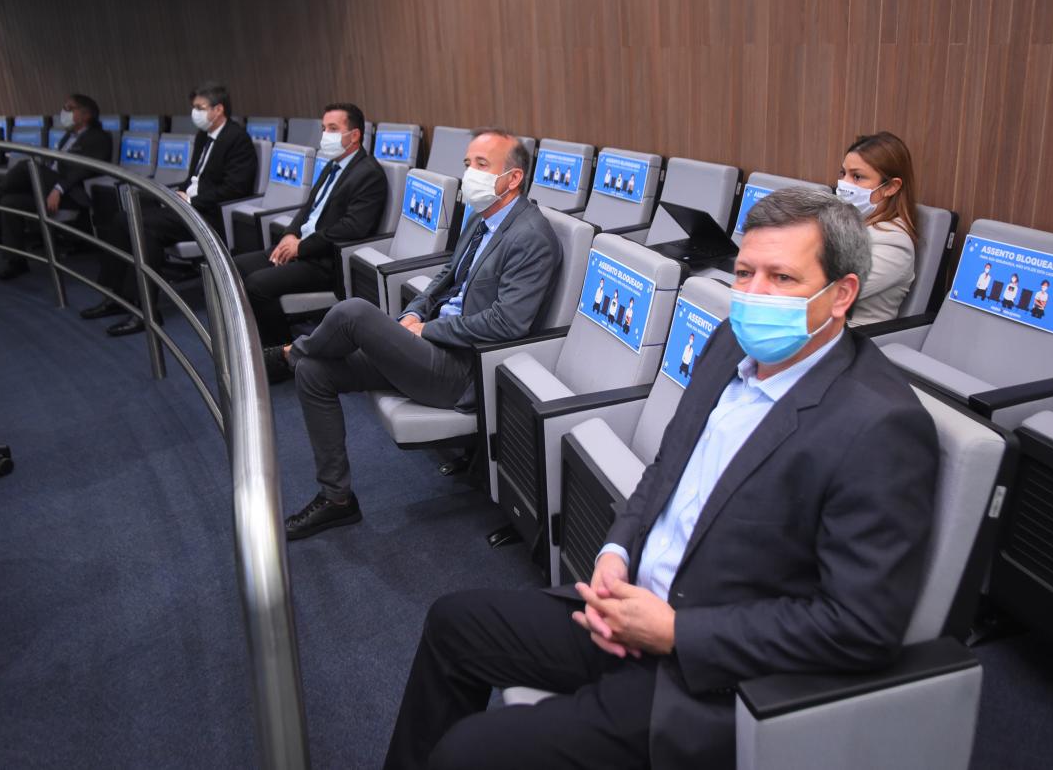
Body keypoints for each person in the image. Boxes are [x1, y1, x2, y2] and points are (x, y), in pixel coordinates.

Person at [382, 187, 937, 770]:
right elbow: (668, 467)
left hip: (704, 674)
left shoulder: (880, 425)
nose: (753, 294)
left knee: (466, 754)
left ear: (842, 293)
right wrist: (617, 550)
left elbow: (859, 627)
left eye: (782, 278)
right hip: (627, 610)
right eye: (744, 273)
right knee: (453, 624)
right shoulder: (729, 342)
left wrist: (677, 631)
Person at [273, 127, 562, 540]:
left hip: (461, 369)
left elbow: (507, 324)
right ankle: (336, 499)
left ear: (513, 178)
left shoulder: (531, 237)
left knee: (354, 312)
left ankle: (287, 354)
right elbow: (446, 277)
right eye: (468, 164)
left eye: (482, 165)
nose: (469, 174)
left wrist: (427, 329)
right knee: (314, 373)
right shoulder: (481, 218)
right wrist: (413, 313)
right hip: (426, 349)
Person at [84, 81, 257, 335]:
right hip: (188, 206)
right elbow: (195, 178)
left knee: (145, 228)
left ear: (218, 109)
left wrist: (191, 201)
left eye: (200, 107)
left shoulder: (237, 139)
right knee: (122, 219)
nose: (195, 113)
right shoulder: (203, 136)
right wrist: (179, 193)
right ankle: (117, 296)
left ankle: (145, 309)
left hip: (208, 213)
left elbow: (235, 189)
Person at [234, 103, 386, 350]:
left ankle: (279, 354)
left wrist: (301, 247)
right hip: (300, 248)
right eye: (324, 128)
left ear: (355, 135)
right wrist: (290, 234)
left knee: (256, 286)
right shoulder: (333, 165)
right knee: (236, 267)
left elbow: (352, 228)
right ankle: (250, 343)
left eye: (333, 129)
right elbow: (308, 208)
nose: (325, 135)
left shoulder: (369, 174)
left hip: (323, 262)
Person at [0, 94, 112, 280]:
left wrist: (58, 189)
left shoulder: (99, 138)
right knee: (9, 202)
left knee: (26, 166)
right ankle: (16, 262)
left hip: (70, 195)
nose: (64, 112)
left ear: (86, 115)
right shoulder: (68, 136)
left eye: (69, 108)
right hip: (51, 189)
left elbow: (84, 169)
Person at [835, 131, 919, 326]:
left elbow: (831, 293)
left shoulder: (894, 243)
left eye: (857, 176)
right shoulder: (846, 221)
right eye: (843, 173)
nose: (844, 184)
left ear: (891, 187)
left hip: (851, 337)